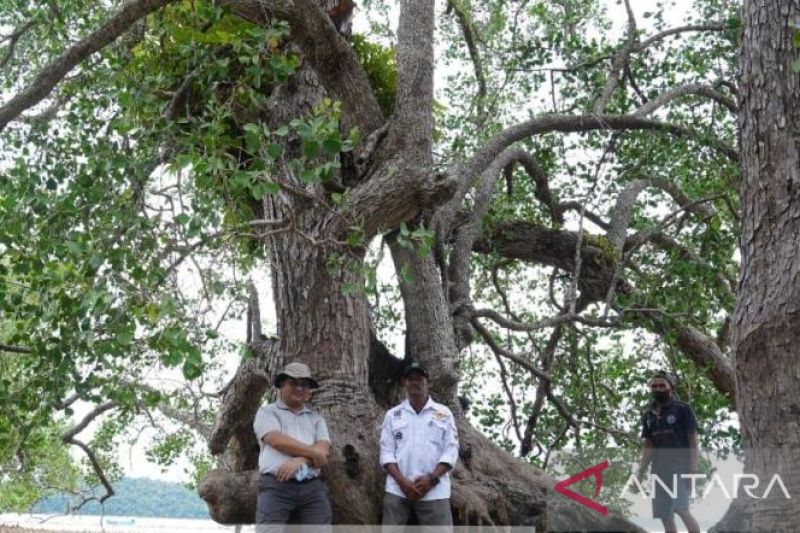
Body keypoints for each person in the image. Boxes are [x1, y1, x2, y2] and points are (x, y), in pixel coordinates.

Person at [253, 362, 332, 532]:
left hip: (312, 488)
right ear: (282, 385)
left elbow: (324, 449)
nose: (299, 388)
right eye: (293, 383)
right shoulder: (267, 412)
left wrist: (300, 461)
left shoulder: (317, 419)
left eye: (304, 385)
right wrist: (312, 454)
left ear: (309, 390)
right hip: (275, 486)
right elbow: (276, 440)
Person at [380, 361, 459, 529]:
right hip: (397, 489)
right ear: (404, 384)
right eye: (410, 379)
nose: (415, 383)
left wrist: (430, 479)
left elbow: (451, 451)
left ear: (427, 382)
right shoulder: (392, 415)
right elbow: (386, 454)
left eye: (419, 379)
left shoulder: (444, 413)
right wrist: (403, 483)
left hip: (435, 490)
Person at [638, 371, 701, 533]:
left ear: (671, 387)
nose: (657, 388)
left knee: (681, 508)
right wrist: (640, 473)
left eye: (661, 385)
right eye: (654, 386)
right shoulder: (648, 415)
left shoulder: (682, 409)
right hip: (659, 471)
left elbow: (692, 440)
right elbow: (648, 446)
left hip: (680, 467)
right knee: (665, 516)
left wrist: (693, 469)